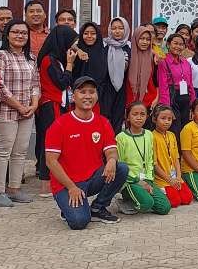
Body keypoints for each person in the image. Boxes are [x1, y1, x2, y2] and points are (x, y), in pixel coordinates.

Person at [44, 75, 126, 229]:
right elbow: (51, 161)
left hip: (92, 178)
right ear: (73, 96)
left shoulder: (103, 122)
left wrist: (111, 160)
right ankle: (67, 208)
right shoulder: (60, 124)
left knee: (121, 168)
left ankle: (98, 207)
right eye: (82, 92)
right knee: (79, 222)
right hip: (66, 183)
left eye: (92, 92)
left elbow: (111, 149)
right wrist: (71, 187)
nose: (88, 96)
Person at [0, 19, 39, 207]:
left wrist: (33, 105)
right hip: (5, 112)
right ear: (7, 35)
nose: (20, 36)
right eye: (15, 32)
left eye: (24, 33)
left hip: (27, 113)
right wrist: (19, 105)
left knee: (20, 152)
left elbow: (36, 84)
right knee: (3, 151)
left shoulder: (31, 58)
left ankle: (15, 188)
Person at [35, 24, 82, 198]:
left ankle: (57, 178)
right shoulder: (48, 60)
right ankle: (45, 183)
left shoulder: (57, 59)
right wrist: (70, 65)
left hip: (60, 104)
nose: (72, 47)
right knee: (49, 143)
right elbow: (61, 83)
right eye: (71, 43)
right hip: (50, 105)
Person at [115, 103, 171, 215]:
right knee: (147, 203)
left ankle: (141, 198)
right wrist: (138, 182)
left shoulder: (149, 135)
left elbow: (150, 160)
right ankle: (125, 201)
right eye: (135, 114)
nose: (139, 117)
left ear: (147, 116)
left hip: (147, 179)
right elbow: (119, 167)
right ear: (128, 117)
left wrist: (148, 180)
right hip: (130, 182)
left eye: (142, 114)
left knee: (165, 208)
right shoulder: (121, 138)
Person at [151, 106, 193, 208]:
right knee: (175, 202)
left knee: (187, 199)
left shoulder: (172, 135)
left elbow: (176, 159)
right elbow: (154, 165)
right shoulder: (152, 137)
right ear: (154, 119)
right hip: (162, 178)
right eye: (163, 118)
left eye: (169, 119)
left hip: (175, 177)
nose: (167, 122)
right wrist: (170, 180)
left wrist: (179, 177)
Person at [157, 33, 193, 138]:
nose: (178, 47)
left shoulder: (186, 62)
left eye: (181, 44)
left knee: (185, 129)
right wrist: (166, 108)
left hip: (185, 98)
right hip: (173, 98)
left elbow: (190, 84)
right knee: (175, 130)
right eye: (175, 43)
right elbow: (163, 86)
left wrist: (192, 103)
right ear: (168, 44)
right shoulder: (164, 62)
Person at [101, 17, 131, 131]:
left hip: (122, 88)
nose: (117, 31)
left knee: (118, 119)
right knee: (105, 117)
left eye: (120, 28)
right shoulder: (104, 45)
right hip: (107, 88)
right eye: (114, 28)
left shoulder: (129, 46)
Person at [126, 25, 159, 109]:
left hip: (149, 101)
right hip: (129, 100)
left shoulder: (154, 58)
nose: (145, 42)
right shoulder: (128, 56)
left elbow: (157, 81)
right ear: (136, 38)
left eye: (148, 39)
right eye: (141, 38)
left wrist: (157, 98)